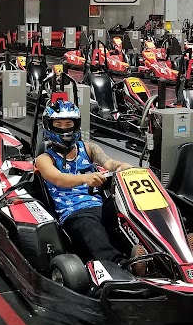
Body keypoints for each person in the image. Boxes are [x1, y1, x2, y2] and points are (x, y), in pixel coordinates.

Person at [34, 100, 132, 263]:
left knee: (126, 213)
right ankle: (119, 265)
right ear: (49, 126)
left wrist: (123, 166)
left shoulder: (89, 149)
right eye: (58, 124)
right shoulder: (44, 159)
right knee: (91, 228)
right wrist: (85, 178)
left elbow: (109, 163)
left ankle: (150, 253)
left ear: (76, 125)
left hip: (100, 205)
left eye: (69, 124)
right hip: (74, 212)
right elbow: (59, 179)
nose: (64, 129)